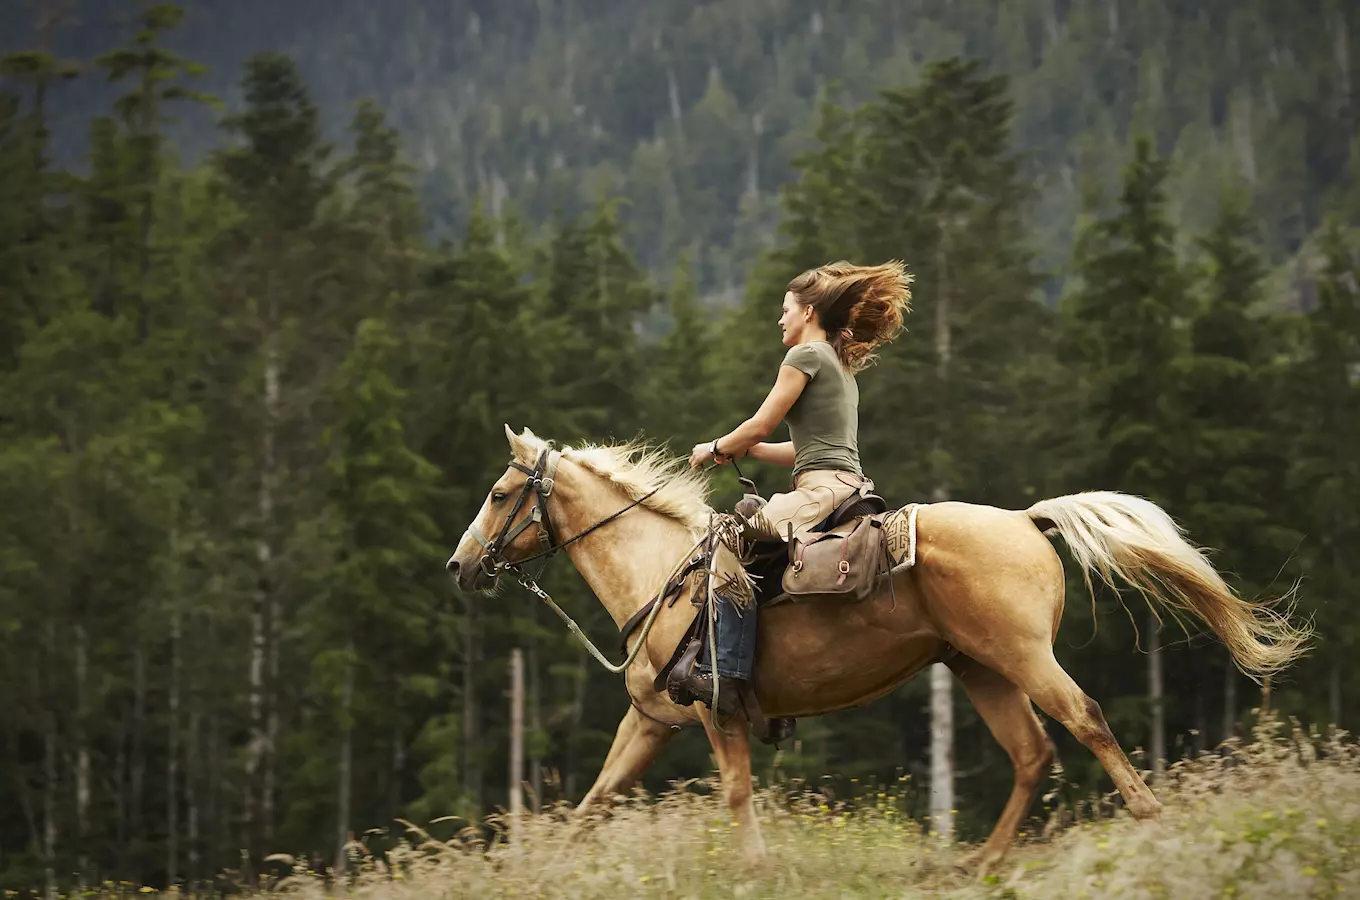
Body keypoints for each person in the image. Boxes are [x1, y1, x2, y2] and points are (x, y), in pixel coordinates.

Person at [681, 260, 912, 717]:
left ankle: (726, 674)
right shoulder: (840, 367)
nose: (780, 319)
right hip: (846, 485)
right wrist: (752, 451)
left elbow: (760, 422)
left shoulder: (804, 356)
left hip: (820, 492)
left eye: (785, 309)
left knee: (723, 539)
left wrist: (714, 447)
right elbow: (806, 448)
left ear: (808, 312)